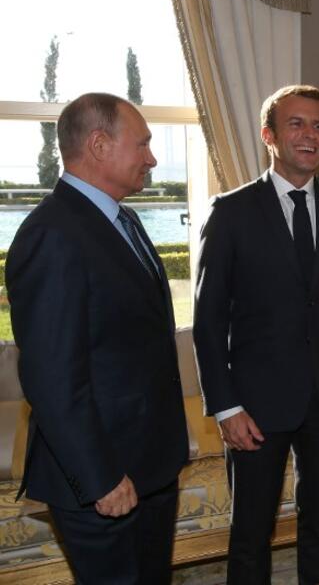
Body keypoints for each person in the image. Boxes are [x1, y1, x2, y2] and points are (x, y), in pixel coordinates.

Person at [193, 84, 319, 584]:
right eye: (296, 124)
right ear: (268, 136)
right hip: (254, 407)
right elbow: (208, 320)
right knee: (250, 534)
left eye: (318, 125)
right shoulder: (230, 211)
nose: (310, 135)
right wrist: (225, 407)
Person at [5, 93, 189, 584]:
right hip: (103, 479)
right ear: (100, 144)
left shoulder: (122, 218)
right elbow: (51, 378)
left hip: (149, 468)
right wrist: (100, 477)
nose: (152, 158)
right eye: (143, 143)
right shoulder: (52, 234)